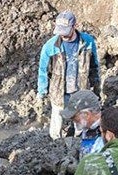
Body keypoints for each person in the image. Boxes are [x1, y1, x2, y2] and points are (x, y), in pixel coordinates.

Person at [37, 10, 101, 140]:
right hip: (59, 91)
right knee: (57, 122)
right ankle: (56, 143)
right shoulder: (50, 47)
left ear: (74, 26)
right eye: (60, 32)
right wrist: (41, 92)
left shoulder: (87, 42)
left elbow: (94, 66)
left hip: (80, 89)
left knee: (81, 123)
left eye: (65, 31)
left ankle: (77, 141)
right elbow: (43, 71)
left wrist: (96, 87)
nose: (63, 35)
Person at [61, 89, 104, 158]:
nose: (73, 120)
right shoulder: (87, 128)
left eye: (74, 117)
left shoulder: (108, 132)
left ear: (86, 114)